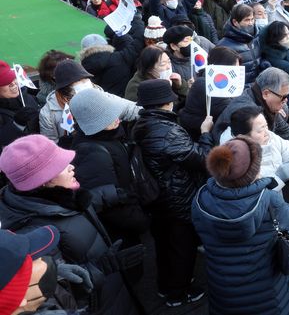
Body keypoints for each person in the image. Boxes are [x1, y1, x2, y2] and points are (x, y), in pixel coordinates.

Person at [0, 134, 144, 315]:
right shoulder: (35, 231)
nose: (72, 167)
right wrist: (101, 268)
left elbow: (70, 211)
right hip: (100, 304)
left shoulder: (54, 197)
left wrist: (109, 194)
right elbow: (52, 291)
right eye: (61, 165)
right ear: (43, 180)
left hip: (113, 292)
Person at [131, 79, 214, 307]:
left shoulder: (143, 123)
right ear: (167, 103)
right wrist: (205, 133)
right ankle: (178, 293)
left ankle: (165, 286)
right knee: (181, 249)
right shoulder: (167, 132)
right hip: (177, 200)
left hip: (158, 199)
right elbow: (204, 159)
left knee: (165, 246)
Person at [191, 136, 289, 315]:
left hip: (223, 291)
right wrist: (276, 180)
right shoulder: (269, 199)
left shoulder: (200, 198)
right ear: (254, 171)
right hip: (269, 296)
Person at [69, 88, 151, 245]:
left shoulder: (108, 136)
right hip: (120, 234)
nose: (116, 116)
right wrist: (140, 220)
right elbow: (107, 204)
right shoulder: (91, 152)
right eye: (106, 115)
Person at [39, 60, 139, 145]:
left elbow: (131, 109)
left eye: (88, 85)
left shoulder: (100, 97)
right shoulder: (48, 114)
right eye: (81, 91)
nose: (90, 95)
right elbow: (50, 146)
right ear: (65, 95)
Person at [213, 67, 289, 147]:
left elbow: (284, 130)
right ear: (266, 93)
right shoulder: (248, 115)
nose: (286, 100)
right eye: (283, 97)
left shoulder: (261, 100)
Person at [179, 46, 242, 138]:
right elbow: (230, 110)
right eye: (234, 68)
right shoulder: (205, 84)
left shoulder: (216, 81)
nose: (237, 72)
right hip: (198, 136)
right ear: (222, 67)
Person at [78, 16, 145, 97]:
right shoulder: (120, 58)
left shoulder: (81, 70)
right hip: (123, 102)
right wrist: (137, 20)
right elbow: (138, 43)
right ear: (106, 45)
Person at [218, 3, 263, 85]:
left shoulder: (258, 36)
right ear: (235, 22)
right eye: (247, 20)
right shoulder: (224, 46)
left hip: (259, 86)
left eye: (252, 19)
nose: (251, 23)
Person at [0, 60, 40, 149]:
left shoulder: (29, 98)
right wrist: (17, 125)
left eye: (13, 78)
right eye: (5, 82)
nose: (13, 84)